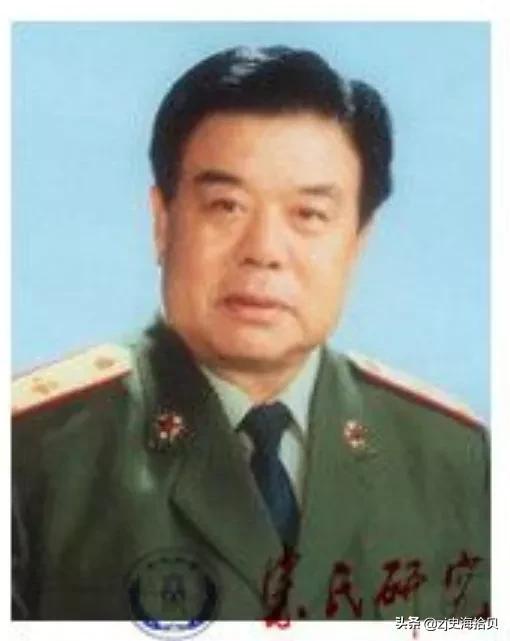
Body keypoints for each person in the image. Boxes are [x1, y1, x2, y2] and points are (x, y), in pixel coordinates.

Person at [12, 45, 489, 622]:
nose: (263, 251)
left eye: (309, 214)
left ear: (358, 242)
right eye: (226, 206)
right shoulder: (33, 452)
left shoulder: (455, 462)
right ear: (162, 222)